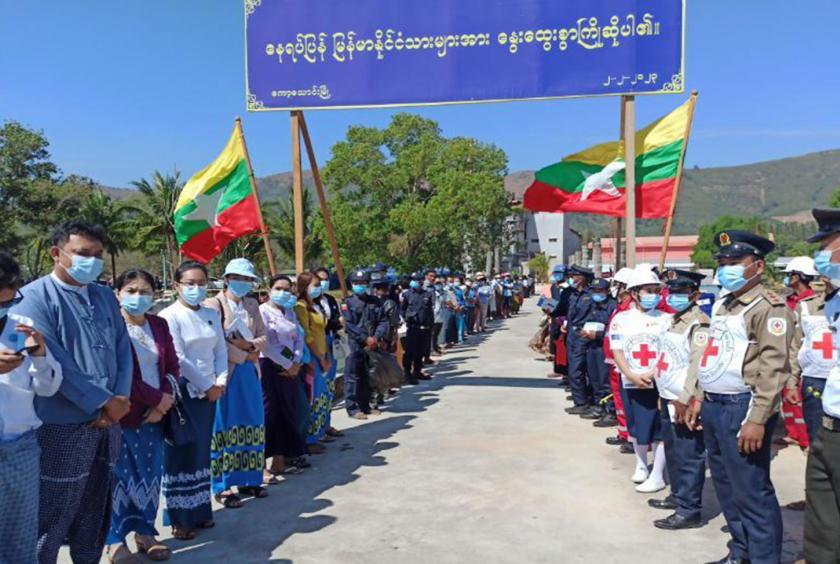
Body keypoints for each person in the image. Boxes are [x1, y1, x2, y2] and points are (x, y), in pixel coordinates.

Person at [14, 221, 133, 563]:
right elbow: (55, 360)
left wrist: (119, 400)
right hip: (61, 424)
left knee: (96, 509)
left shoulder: (103, 295)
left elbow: (122, 349)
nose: (92, 262)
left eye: (97, 255)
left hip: (110, 421)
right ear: (57, 254)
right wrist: (102, 402)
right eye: (83, 254)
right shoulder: (34, 297)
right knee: (52, 514)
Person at [689, 230, 793, 564]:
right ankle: (740, 551)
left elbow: (774, 368)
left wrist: (758, 419)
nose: (726, 269)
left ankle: (764, 558)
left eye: (735, 262)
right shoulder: (724, 303)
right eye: (722, 263)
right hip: (714, 404)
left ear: (757, 266)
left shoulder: (769, 308)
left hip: (741, 409)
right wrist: (698, 396)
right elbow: (713, 355)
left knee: (751, 491)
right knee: (725, 486)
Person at [107, 269, 178, 562]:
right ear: (118, 293)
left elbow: (173, 365)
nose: (139, 296)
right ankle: (113, 540)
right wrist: (156, 399)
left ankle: (145, 532)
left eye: (145, 291)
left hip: (156, 415)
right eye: (132, 290)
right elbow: (122, 374)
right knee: (117, 478)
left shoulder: (159, 324)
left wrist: (164, 403)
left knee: (149, 475)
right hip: (122, 414)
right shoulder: (111, 327)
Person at [0, 250, 61, 564]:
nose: (4, 309)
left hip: (20, 450)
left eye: (8, 302)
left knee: (20, 540)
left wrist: (39, 356)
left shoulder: (21, 326)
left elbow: (48, 387)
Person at [159, 261, 228, 540]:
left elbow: (220, 348)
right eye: (189, 283)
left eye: (201, 283)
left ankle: (201, 511)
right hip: (185, 392)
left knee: (201, 452)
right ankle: (179, 518)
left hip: (211, 392)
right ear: (176, 285)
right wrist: (206, 384)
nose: (196, 288)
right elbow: (178, 358)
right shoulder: (169, 316)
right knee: (181, 453)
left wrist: (220, 381)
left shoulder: (211, 313)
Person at [647, 269, 709, 531]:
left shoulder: (699, 323)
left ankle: (689, 509)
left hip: (683, 400)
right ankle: (678, 494)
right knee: (673, 449)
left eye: (680, 293)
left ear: (694, 295)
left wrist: (687, 399)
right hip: (668, 396)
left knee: (689, 453)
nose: (673, 297)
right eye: (670, 292)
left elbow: (698, 366)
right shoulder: (675, 320)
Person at [205, 258, 268, 505]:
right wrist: (243, 353)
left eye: (247, 279)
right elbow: (215, 340)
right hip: (227, 371)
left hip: (250, 370)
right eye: (238, 278)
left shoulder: (252, 304)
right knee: (224, 425)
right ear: (227, 279)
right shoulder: (214, 304)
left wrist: (250, 347)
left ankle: (250, 478)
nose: (242, 283)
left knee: (252, 421)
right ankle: (222, 485)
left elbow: (264, 336)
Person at [608, 266, 672, 493]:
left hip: (659, 381)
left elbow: (670, 351)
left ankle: (658, 473)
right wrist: (631, 375)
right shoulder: (621, 319)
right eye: (648, 290)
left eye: (656, 290)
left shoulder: (667, 319)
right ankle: (641, 464)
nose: (653, 294)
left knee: (659, 428)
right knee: (636, 426)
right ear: (635, 293)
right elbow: (617, 350)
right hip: (631, 380)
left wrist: (652, 373)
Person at [803, 208, 840, 563]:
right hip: (829, 428)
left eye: (828, 246)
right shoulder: (835, 302)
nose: (822, 256)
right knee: (823, 531)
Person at [259, 275, 307, 476]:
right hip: (269, 365)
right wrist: (286, 363)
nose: (283, 292)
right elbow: (266, 344)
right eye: (278, 288)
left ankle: (288, 456)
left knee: (289, 408)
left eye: (287, 289)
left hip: (291, 368)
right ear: (269, 290)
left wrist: (295, 361)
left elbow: (298, 338)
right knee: (271, 412)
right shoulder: (262, 312)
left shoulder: (289, 312)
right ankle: (270, 458)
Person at [782, 256, 820, 451]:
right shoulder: (788, 301)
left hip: (803, 361)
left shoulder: (812, 304)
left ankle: (805, 440)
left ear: (797, 277)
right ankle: (794, 434)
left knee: (800, 402)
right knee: (788, 400)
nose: (787, 279)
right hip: (786, 356)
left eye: (789, 276)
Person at [294, 271, 333, 448]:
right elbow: (307, 336)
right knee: (314, 397)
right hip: (313, 357)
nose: (319, 288)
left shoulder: (315, 305)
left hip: (323, 352)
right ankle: (310, 439)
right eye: (315, 285)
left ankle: (320, 432)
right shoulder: (300, 306)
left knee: (323, 396)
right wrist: (319, 357)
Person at [343, 270, 386, 419]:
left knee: (369, 376)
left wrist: (376, 337)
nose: (359, 286)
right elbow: (348, 325)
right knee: (353, 376)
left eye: (362, 283)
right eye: (356, 283)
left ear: (368, 284)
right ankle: (352, 408)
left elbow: (383, 321)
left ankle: (366, 406)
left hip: (372, 344)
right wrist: (364, 338)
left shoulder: (375, 301)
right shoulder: (347, 302)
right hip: (355, 344)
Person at [602, 267, 634, 449]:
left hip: (622, 363)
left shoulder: (629, 308)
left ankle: (631, 437)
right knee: (619, 399)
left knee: (626, 400)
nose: (615, 288)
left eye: (618, 284)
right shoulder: (620, 306)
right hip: (614, 362)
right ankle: (624, 432)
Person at [576, 278, 616, 422]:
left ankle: (610, 411)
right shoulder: (593, 305)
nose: (596, 293)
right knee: (595, 379)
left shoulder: (613, 307)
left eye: (599, 291)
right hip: (592, 347)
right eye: (594, 290)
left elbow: (614, 329)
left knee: (606, 381)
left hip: (604, 348)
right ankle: (599, 406)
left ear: (607, 291)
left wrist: (598, 334)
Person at [560, 266, 595, 414]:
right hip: (572, 334)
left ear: (584, 278)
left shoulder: (591, 294)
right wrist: (566, 324)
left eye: (576, 276)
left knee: (578, 369)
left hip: (584, 334)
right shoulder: (573, 294)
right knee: (573, 369)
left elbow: (594, 315)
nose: (573, 279)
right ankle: (579, 398)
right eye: (572, 276)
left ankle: (582, 402)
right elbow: (570, 313)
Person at [314, 267, 344, 439]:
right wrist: (333, 323)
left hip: (332, 343)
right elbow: (323, 324)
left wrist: (335, 324)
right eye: (319, 281)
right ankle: (316, 431)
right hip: (319, 345)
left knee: (329, 387)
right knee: (318, 389)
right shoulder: (309, 304)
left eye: (325, 280)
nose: (323, 284)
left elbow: (338, 322)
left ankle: (326, 424)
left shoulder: (331, 299)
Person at [402, 272, 435, 385]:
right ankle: (407, 373)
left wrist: (431, 325)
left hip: (424, 328)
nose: (416, 282)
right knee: (410, 351)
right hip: (413, 327)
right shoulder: (407, 295)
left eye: (418, 280)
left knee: (420, 351)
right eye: (414, 280)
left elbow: (429, 311)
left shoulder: (427, 294)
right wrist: (408, 318)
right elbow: (403, 309)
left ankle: (417, 371)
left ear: (422, 281)